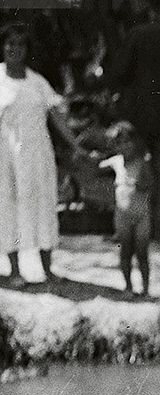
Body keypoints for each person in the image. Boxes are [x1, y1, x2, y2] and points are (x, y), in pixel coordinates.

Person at [108, 1, 160, 247]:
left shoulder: (137, 36)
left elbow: (120, 72)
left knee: (134, 172)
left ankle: (132, 228)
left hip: (140, 116)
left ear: (151, 12)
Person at [0, 25, 69, 288]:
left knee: (43, 207)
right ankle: (15, 271)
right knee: (9, 209)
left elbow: (57, 117)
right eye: (9, 43)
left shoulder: (38, 81)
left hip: (38, 154)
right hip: (6, 157)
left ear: (27, 50)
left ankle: (47, 269)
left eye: (19, 44)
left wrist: (75, 146)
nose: (13, 49)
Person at [97, 121, 153, 296]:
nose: (124, 146)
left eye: (128, 141)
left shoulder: (143, 162)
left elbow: (149, 184)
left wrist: (142, 180)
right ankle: (128, 286)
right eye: (119, 143)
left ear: (135, 142)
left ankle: (145, 289)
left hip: (141, 215)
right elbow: (98, 166)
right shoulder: (116, 162)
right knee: (125, 251)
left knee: (142, 253)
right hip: (122, 216)